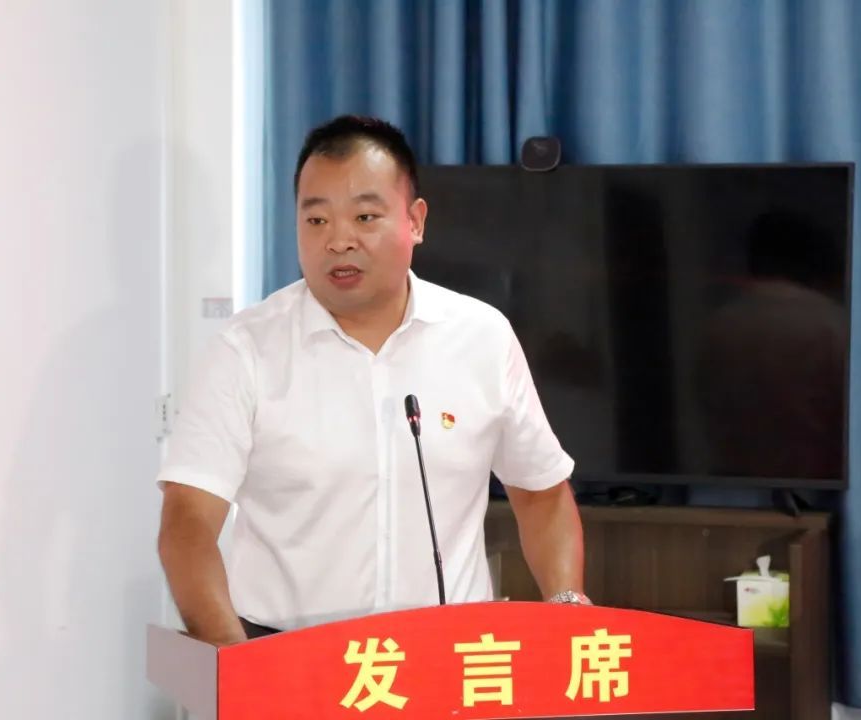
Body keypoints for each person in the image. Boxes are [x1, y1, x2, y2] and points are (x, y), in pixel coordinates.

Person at [155, 115, 587, 646]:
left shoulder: (482, 337)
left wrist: (568, 608)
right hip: (286, 655)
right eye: (317, 220)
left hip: (450, 657)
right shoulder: (245, 350)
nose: (339, 241)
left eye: (365, 216)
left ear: (416, 221)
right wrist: (237, 664)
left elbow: (542, 494)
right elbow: (188, 524)